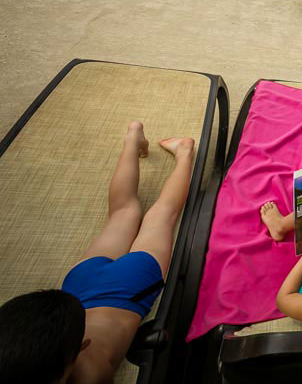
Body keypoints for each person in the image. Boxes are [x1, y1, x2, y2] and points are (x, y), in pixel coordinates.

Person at [0, 122, 196, 384]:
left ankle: (185, 153)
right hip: (79, 283)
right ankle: (133, 138)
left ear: (83, 346)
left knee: (161, 215)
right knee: (124, 212)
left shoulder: (91, 376)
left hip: (130, 287)